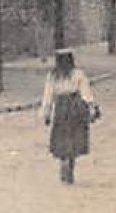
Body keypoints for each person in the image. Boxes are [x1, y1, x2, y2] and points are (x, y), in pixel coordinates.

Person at [41, 48, 98, 184]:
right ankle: (70, 164)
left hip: (61, 108)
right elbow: (86, 93)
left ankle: (63, 161)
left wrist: (46, 113)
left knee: (61, 136)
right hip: (75, 107)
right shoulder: (78, 74)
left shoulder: (53, 76)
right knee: (74, 136)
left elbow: (48, 96)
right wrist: (92, 107)